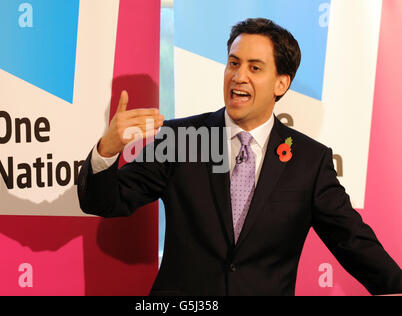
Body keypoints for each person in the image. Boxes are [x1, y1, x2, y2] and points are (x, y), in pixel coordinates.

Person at [77, 18, 402, 295]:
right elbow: (105, 202)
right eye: (233, 63)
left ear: (280, 83)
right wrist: (107, 151)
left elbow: (352, 241)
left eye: (254, 67)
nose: (238, 76)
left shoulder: (309, 161)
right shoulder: (181, 139)